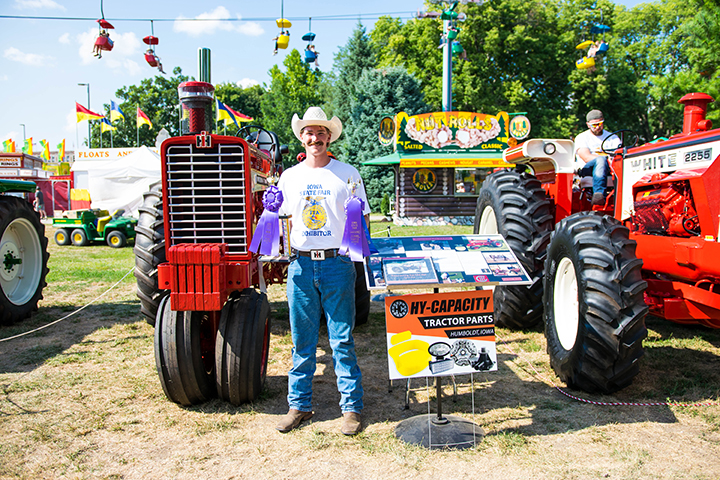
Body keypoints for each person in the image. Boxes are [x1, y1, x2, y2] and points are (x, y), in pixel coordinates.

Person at [275, 106, 369, 436]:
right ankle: (298, 405)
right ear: (302, 137)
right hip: (300, 265)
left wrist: (359, 256)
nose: (315, 138)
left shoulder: (347, 173)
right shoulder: (289, 177)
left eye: (322, 133)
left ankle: (351, 409)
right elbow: (279, 218)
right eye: (310, 133)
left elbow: (362, 220)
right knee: (302, 340)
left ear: (330, 137)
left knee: (341, 339)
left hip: (337, 264)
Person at [574, 109, 620, 206]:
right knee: (600, 159)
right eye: (594, 125)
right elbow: (586, 157)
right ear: (588, 124)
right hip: (588, 169)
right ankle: (599, 196)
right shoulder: (582, 137)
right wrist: (606, 159)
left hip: (610, 168)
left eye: (600, 123)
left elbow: (619, 156)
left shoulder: (613, 138)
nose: (597, 127)